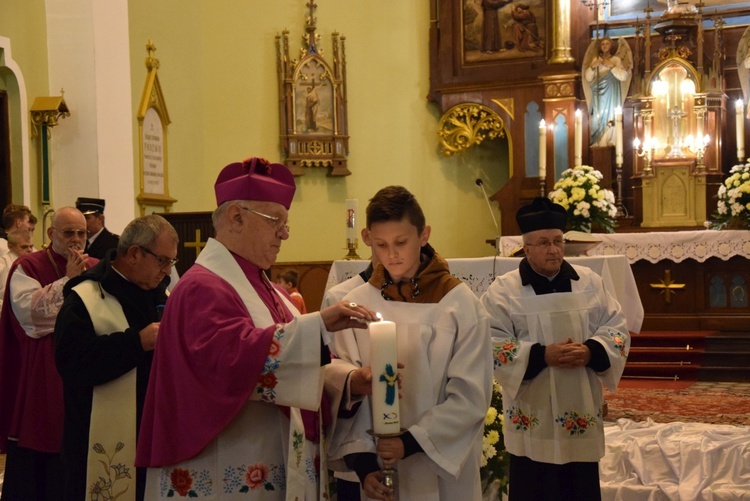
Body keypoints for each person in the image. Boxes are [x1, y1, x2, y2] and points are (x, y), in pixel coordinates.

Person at [135, 157, 378, 500]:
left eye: (286, 223)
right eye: (276, 221)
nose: (285, 233)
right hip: (226, 462)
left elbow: (296, 362)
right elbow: (232, 360)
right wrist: (319, 324)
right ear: (236, 217)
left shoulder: (269, 290)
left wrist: (351, 380)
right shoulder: (202, 288)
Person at [327, 185, 493, 500]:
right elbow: (344, 379)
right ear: (368, 238)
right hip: (378, 466)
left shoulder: (459, 305)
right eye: (381, 244)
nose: (391, 255)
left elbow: (471, 395)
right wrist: (363, 466)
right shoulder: (356, 305)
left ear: (424, 234)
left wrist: (412, 442)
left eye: (401, 242)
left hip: (439, 469)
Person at [479, 197, 630, 500]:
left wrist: (591, 351)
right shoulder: (504, 291)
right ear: (527, 248)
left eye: (558, 241)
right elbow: (490, 342)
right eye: (544, 243)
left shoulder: (589, 282)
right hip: (532, 410)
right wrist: (541, 355)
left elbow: (617, 329)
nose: (554, 249)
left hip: (580, 405)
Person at [54, 214, 178, 501]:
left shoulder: (163, 295)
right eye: (163, 260)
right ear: (134, 253)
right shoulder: (85, 297)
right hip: (96, 440)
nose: (167, 270)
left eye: (172, 262)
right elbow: (71, 363)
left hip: (156, 434)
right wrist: (136, 343)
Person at [0, 206, 96, 500]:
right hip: (45, 371)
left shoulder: (96, 265)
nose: (76, 240)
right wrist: (68, 280)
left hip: (89, 369)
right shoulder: (28, 266)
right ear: (51, 234)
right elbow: (31, 317)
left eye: (82, 233)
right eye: (68, 233)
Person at [322, 233, 378, 501]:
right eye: (384, 243)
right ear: (368, 238)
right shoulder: (342, 297)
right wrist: (353, 379)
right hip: (358, 451)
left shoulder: (435, 298)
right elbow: (329, 366)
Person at [583, 36, 631, 147]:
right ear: (600, 46)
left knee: (611, 115)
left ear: (611, 46)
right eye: (602, 44)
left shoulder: (616, 60)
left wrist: (612, 66)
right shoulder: (596, 60)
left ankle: (610, 139)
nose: (605, 46)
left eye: (607, 44)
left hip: (611, 92)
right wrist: (592, 67)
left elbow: (624, 76)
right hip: (599, 93)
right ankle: (598, 141)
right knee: (598, 116)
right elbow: (588, 78)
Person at [0, 229, 35, 310]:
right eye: (24, 247)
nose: (29, 250)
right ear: (10, 247)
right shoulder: (3, 263)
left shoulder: (33, 261)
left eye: (31, 246)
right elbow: (4, 293)